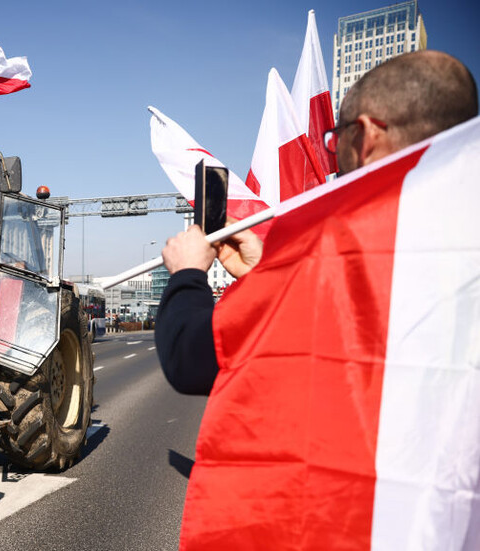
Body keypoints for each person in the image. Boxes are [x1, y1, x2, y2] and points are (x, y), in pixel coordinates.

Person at [155, 50, 478, 395]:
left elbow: (192, 358)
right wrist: (262, 272)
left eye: (336, 140)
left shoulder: (357, 259)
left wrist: (187, 274)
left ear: (366, 136)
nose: (335, 154)